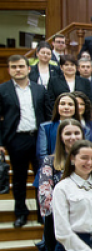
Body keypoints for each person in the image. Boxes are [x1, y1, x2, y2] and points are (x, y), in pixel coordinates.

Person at [38, 119, 83, 251]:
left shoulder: (88, 159)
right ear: (61, 137)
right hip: (57, 224)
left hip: (83, 225)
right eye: (68, 133)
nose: (72, 137)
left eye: (76, 133)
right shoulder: (50, 161)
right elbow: (45, 197)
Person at [0, 55, 48, 228]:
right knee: (19, 179)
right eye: (13, 67)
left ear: (29, 69)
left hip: (38, 139)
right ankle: (21, 213)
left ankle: (43, 213)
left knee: (42, 178)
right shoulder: (2, 90)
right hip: (16, 139)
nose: (17, 69)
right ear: (9, 70)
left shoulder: (40, 89)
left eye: (21, 66)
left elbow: (48, 115)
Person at [37, 92, 82, 165]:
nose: (66, 107)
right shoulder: (45, 127)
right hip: (51, 167)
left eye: (70, 104)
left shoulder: (84, 129)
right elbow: (42, 155)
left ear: (75, 108)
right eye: (62, 104)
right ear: (57, 107)